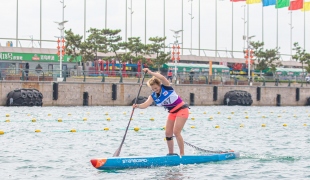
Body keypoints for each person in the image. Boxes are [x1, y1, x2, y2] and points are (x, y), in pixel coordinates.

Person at [133, 68, 189, 156]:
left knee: (176, 132)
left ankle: (182, 154)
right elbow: (145, 104)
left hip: (182, 110)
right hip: (172, 113)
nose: (155, 90)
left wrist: (150, 72)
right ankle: (171, 154)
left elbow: (162, 77)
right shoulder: (153, 96)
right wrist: (137, 106)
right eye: (153, 89)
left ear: (159, 85)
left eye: (156, 88)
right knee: (168, 133)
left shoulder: (166, 86)